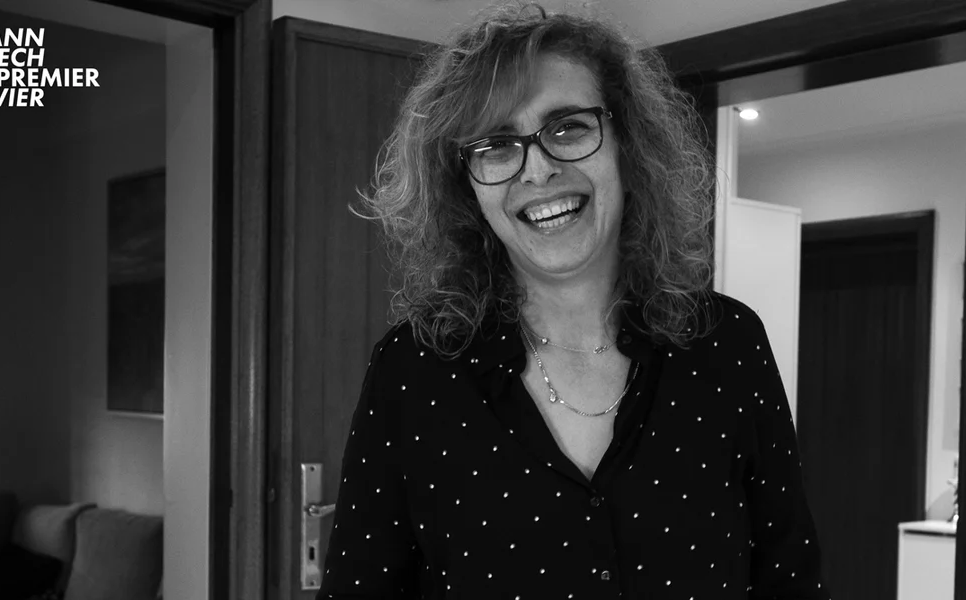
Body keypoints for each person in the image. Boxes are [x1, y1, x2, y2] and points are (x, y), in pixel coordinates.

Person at [317, 3, 829, 598]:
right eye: (495, 145)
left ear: (627, 145)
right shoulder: (413, 370)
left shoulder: (728, 344)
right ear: (465, 187)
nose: (537, 171)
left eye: (568, 128)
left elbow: (791, 578)